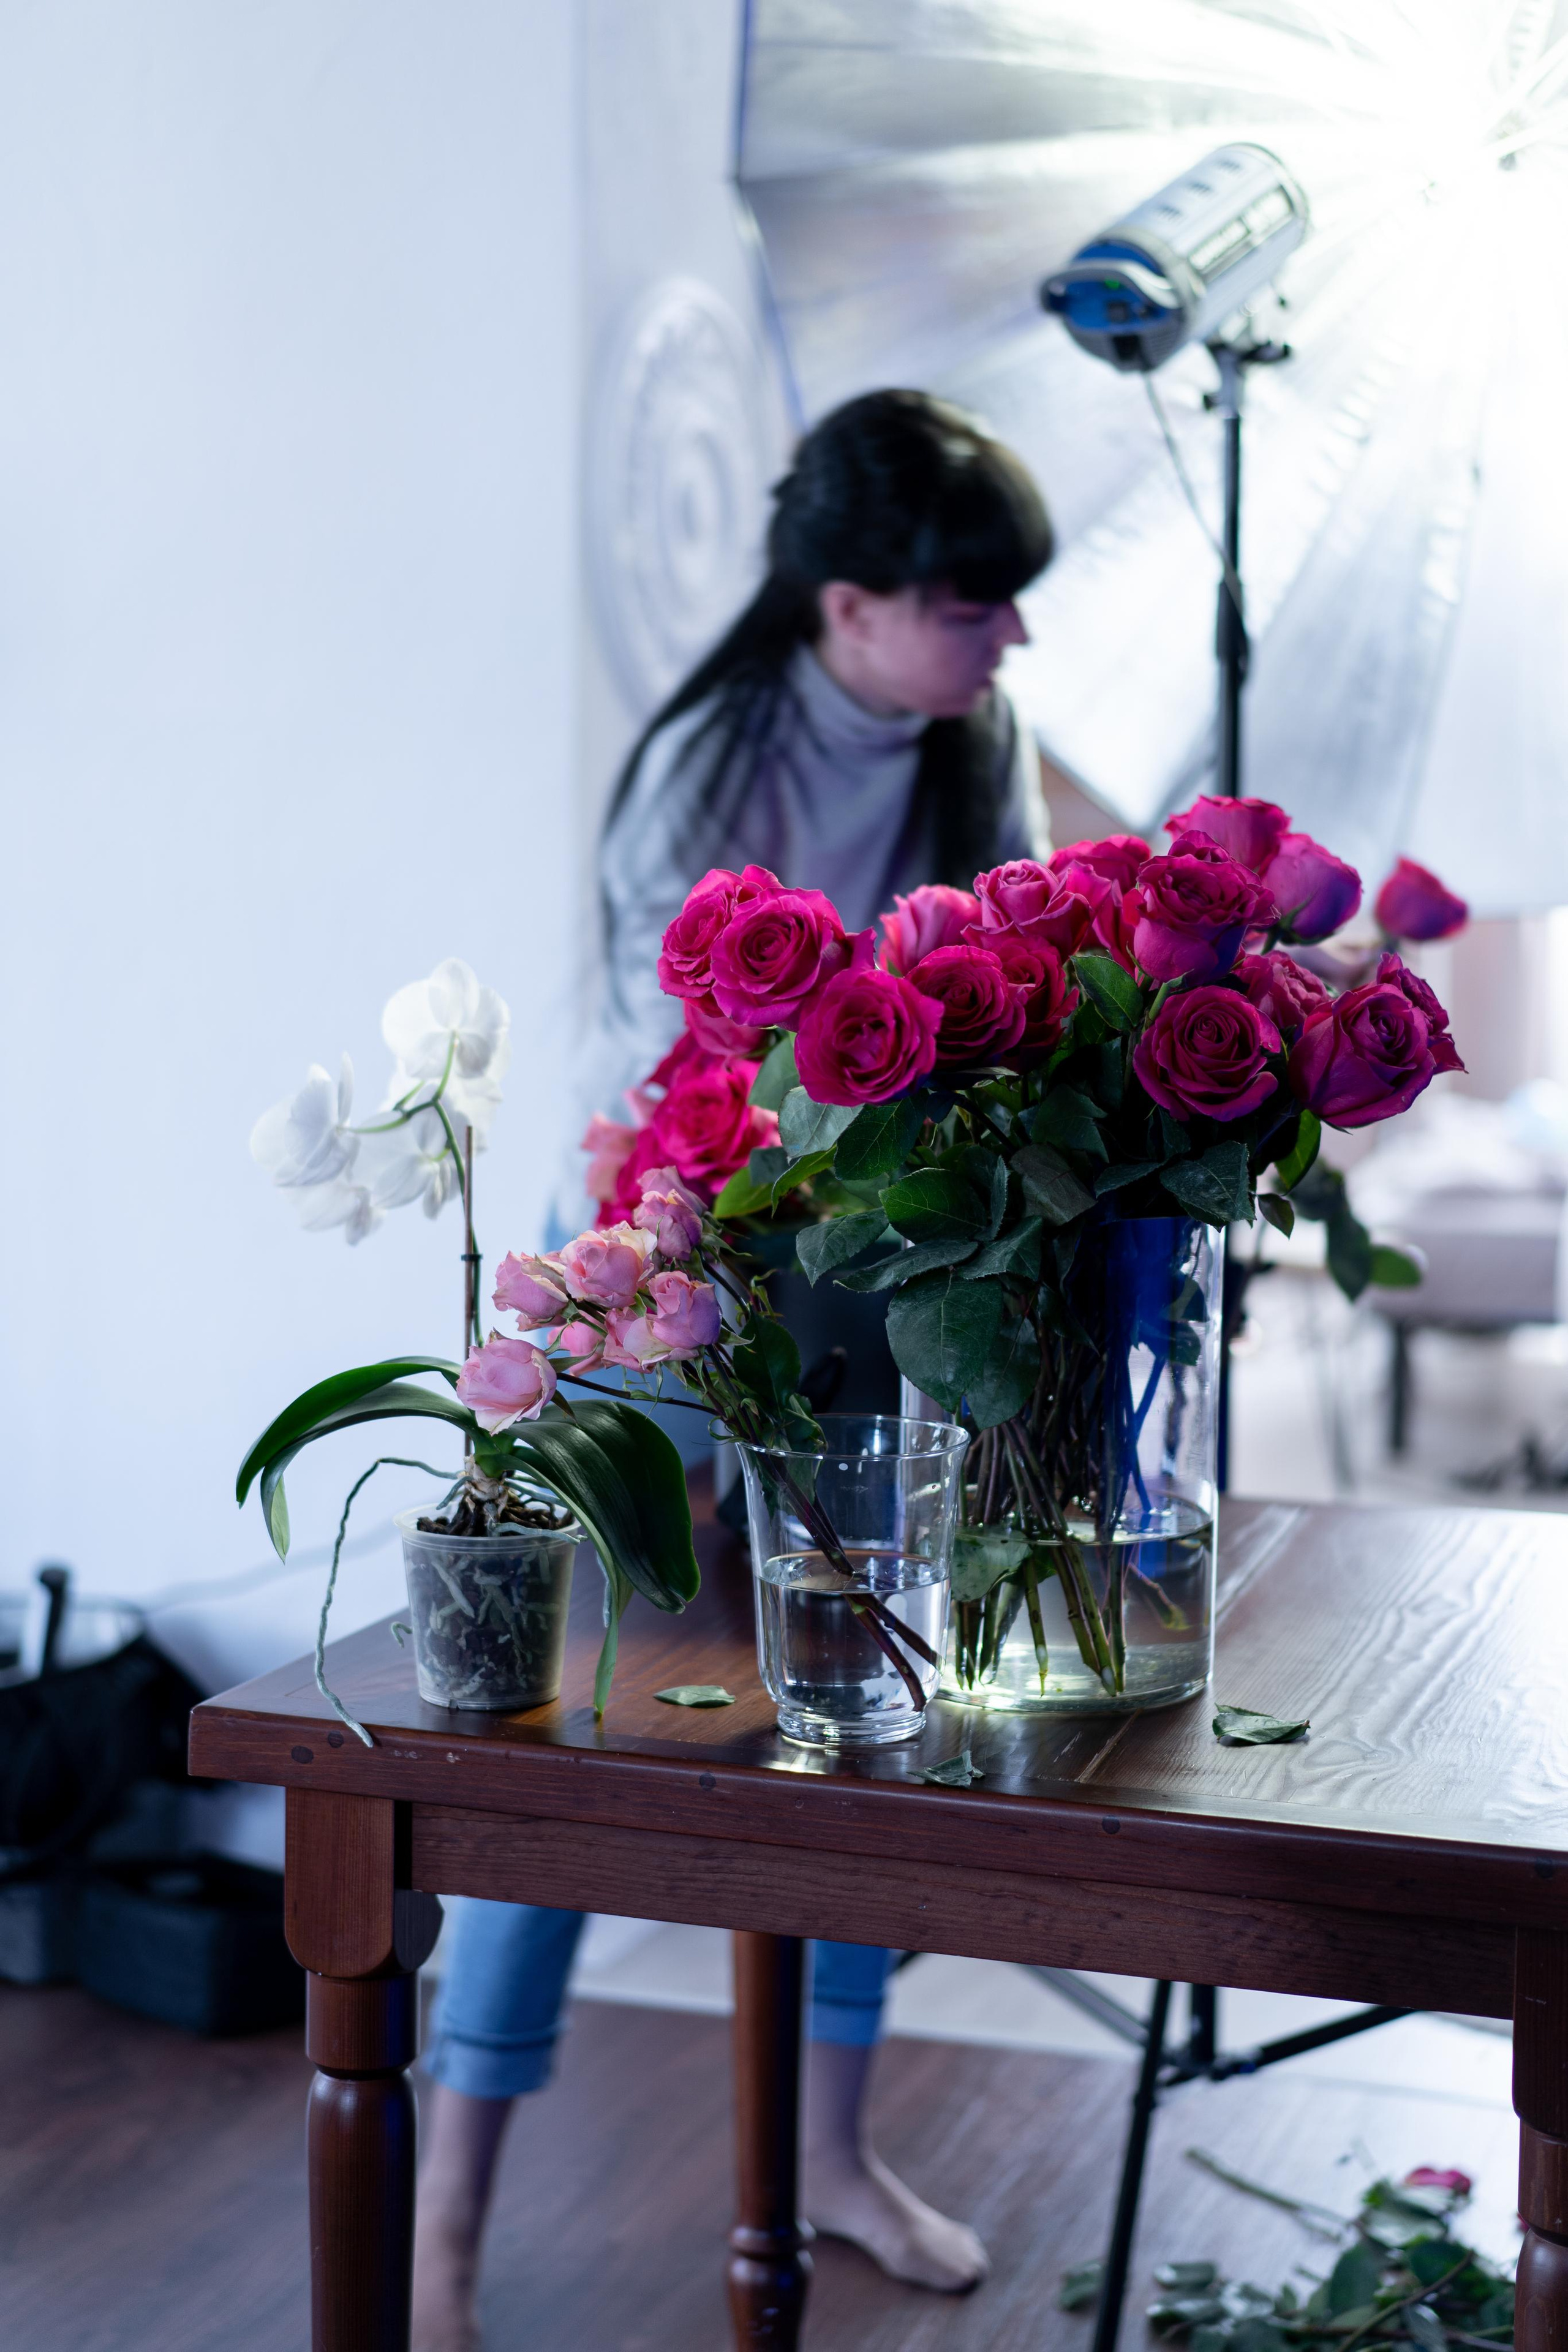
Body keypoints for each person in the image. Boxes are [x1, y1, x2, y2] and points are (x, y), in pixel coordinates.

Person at [412, 388, 1055, 2352]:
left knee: (857, 1723)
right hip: (655, 1271)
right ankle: (439, 2229)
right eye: (973, 604)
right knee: (557, 1746)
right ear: (850, 604)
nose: (1010, 638)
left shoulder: (978, 747)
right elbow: (651, 1078)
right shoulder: (710, 758)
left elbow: (1019, 1002)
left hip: (870, 1284)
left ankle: (831, 2159)